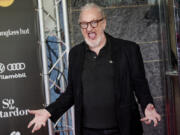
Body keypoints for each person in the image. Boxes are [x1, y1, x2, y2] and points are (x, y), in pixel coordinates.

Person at [28, 3, 161, 135]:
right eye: (84, 24)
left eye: (94, 23)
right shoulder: (75, 54)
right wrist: (48, 111)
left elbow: (140, 84)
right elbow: (72, 93)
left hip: (123, 129)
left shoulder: (128, 50)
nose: (89, 28)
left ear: (104, 23)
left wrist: (147, 105)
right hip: (88, 131)